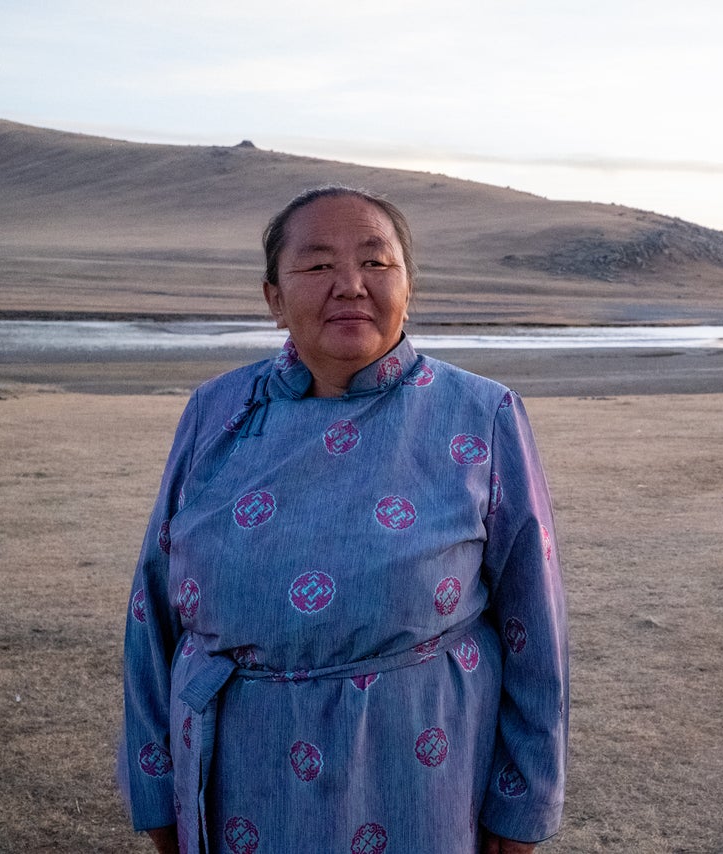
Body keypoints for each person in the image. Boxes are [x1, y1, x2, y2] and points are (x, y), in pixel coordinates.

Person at [121, 186, 568, 854]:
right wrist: (154, 787)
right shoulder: (213, 411)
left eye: (376, 263)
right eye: (318, 265)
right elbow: (152, 613)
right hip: (238, 780)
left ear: (408, 288)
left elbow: (534, 624)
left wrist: (523, 801)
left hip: (417, 781)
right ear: (274, 298)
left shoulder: (482, 414)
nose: (351, 285)